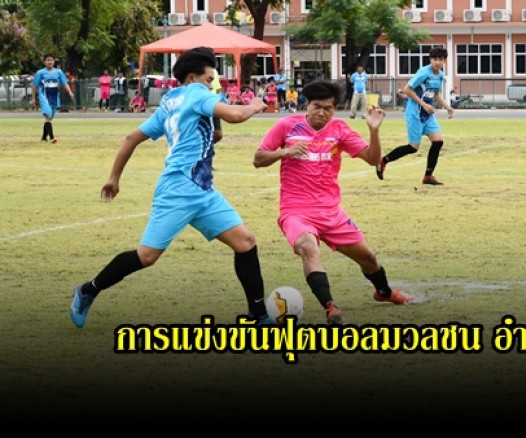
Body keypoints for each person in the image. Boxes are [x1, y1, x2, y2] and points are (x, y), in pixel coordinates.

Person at [69, 46, 273, 329]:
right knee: (146, 256)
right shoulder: (197, 93)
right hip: (179, 188)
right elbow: (235, 116)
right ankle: (87, 290)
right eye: (208, 79)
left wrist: (114, 178)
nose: (211, 85)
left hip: (202, 189)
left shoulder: (169, 101)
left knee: (245, 241)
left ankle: (259, 316)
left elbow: (132, 138)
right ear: (192, 78)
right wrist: (256, 105)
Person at [253, 80, 416, 325]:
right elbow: (258, 159)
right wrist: (285, 152)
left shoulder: (340, 129)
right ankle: (330, 307)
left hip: (331, 213)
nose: (322, 112)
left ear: (335, 108)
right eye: (317, 106)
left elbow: (373, 159)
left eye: (328, 108)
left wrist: (374, 131)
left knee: (368, 258)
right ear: (307, 105)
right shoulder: (286, 126)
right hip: (296, 211)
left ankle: (384, 292)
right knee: (309, 247)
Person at [376, 47, 454, 185]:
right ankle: (383, 161)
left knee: (438, 142)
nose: (437, 62)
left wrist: (447, 107)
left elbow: (435, 93)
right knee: (413, 147)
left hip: (427, 114)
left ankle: (428, 176)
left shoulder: (440, 75)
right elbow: (407, 89)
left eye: (440, 59)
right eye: (435, 59)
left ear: (445, 61)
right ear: (430, 60)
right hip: (415, 113)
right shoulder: (424, 73)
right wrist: (423, 104)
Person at [30, 54, 74, 144]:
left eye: (51, 60)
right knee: (48, 115)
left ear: (54, 62)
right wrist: (33, 98)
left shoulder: (58, 72)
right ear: (44, 62)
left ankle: (43, 138)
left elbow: (65, 83)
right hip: (44, 96)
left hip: (54, 97)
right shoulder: (40, 73)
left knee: (49, 119)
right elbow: (35, 86)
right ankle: (52, 137)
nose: (49, 62)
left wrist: (70, 92)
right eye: (47, 60)